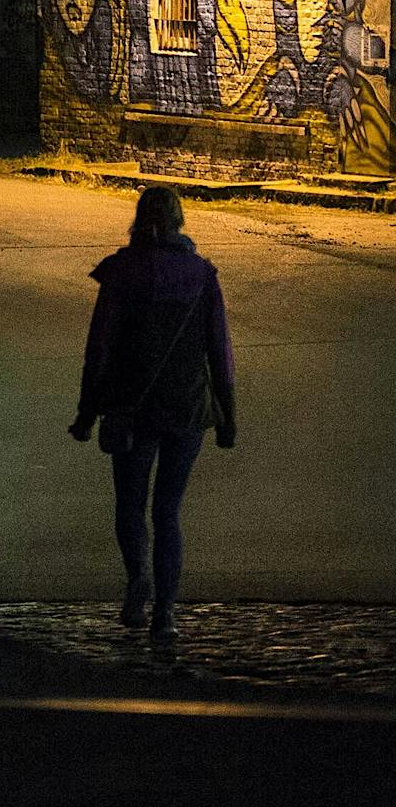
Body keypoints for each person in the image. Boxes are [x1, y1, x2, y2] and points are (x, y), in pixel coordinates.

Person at [67, 185, 237, 641]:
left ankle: (137, 579)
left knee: (130, 504)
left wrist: (87, 413)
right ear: (181, 221)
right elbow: (219, 350)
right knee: (168, 511)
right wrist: (228, 416)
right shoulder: (202, 276)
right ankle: (165, 612)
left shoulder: (121, 273)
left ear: (139, 219)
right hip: (185, 408)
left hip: (131, 407)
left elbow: (98, 349)